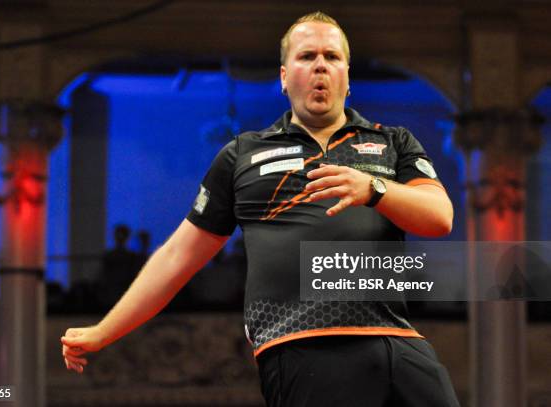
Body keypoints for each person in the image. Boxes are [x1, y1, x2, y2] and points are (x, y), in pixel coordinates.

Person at [62, 11, 459, 406]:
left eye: (332, 57)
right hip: (304, 346)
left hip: (399, 341)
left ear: (348, 77)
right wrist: (104, 331)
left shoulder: (394, 142)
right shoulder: (243, 154)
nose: (321, 65)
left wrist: (374, 188)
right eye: (307, 57)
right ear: (285, 77)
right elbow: (177, 257)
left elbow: (439, 217)